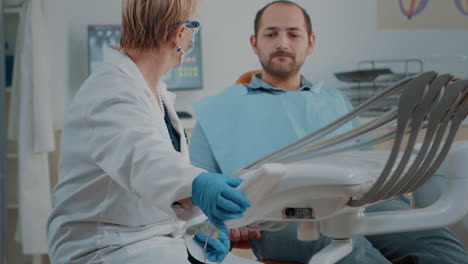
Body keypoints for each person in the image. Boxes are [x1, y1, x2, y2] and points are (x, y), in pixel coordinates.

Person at [189, 1, 468, 263]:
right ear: (255, 43)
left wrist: (399, 203)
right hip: (281, 217)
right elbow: (196, 189)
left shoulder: (335, 102)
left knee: (434, 243)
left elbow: (371, 167)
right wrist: (227, 220)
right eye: (271, 34)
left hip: (358, 204)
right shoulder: (217, 109)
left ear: (310, 44)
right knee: (351, 252)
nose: (282, 43)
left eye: (293, 34)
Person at [46, 1, 251, 263]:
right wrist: (198, 183)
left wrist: (202, 224)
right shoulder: (111, 90)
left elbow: (162, 187)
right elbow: (143, 159)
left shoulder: (152, 92)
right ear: (180, 33)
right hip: (106, 248)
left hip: (151, 240)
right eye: (194, 27)